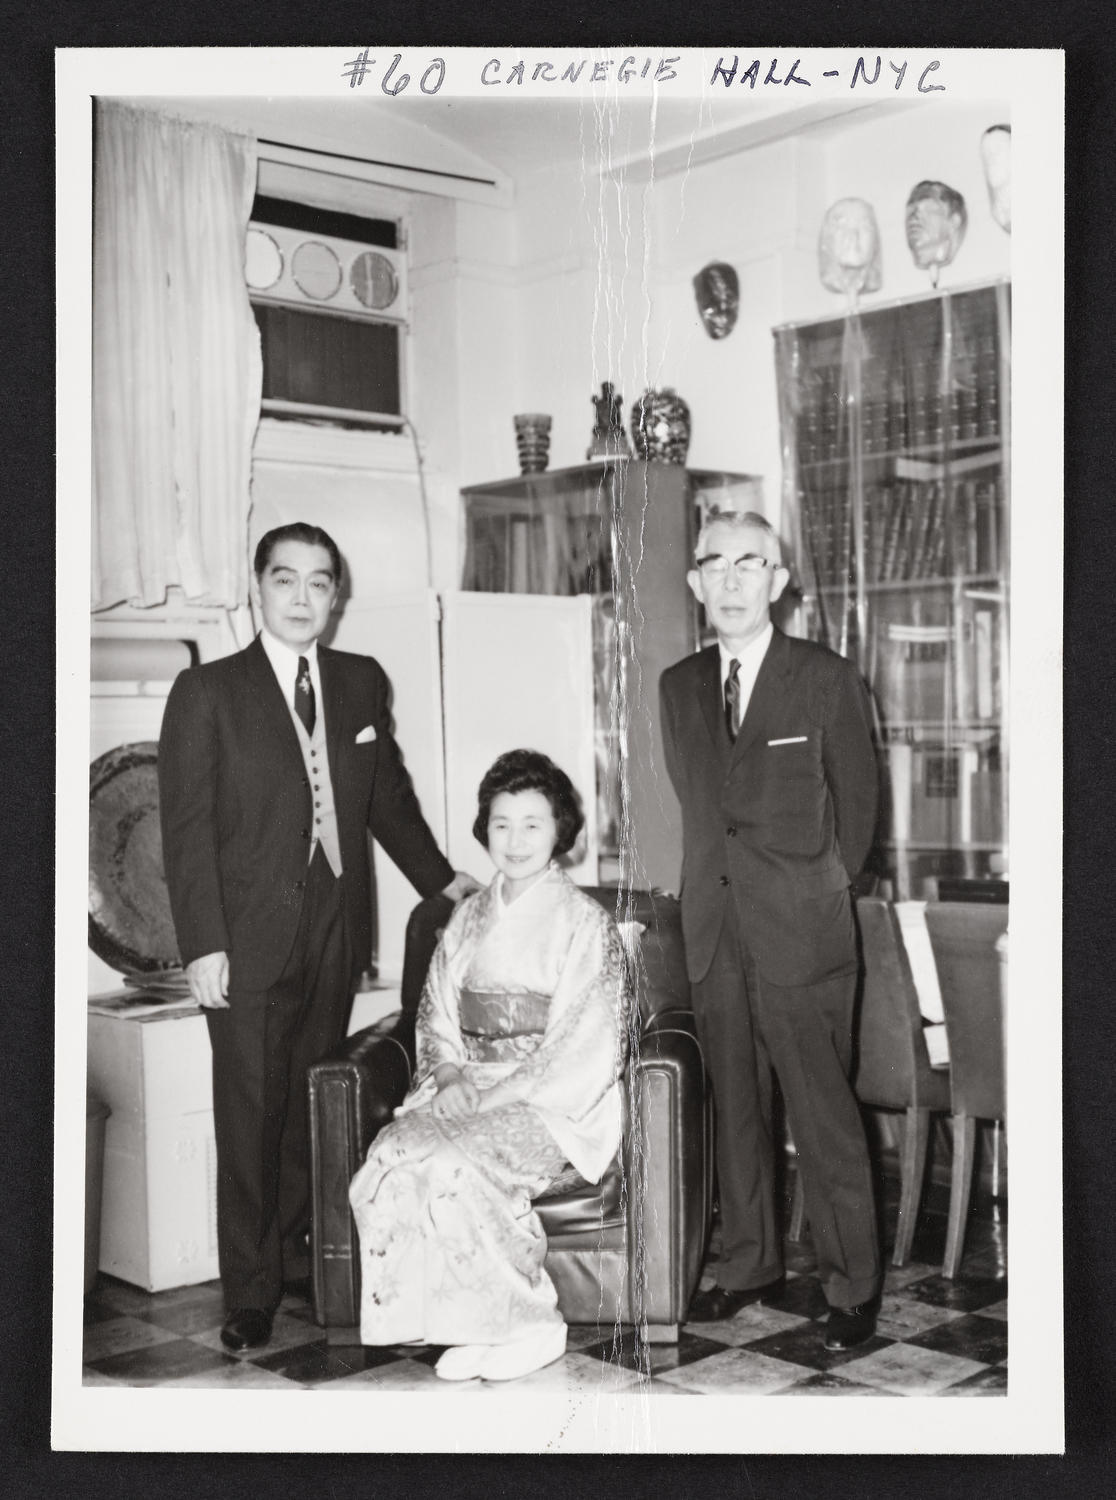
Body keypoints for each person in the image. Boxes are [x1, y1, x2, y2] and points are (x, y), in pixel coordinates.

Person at [158, 521, 477, 1353]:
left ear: (336, 596)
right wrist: (203, 945)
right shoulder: (208, 693)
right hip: (246, 939)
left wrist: (443, 882)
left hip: (335, 926)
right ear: (257, 587)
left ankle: (299, 1257)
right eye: (286, 581)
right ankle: (251, 1290)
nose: (303, 599)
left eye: (320, 583)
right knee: (251, 1112)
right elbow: (185, 832)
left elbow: (387, 800)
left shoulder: (360, 682)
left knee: (310, 1104)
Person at [659, 509, 881, 1351]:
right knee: (737, 1113)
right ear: (695, 582)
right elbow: (696, 806)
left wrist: (815, 892)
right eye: (714, 563)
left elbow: (858, 816)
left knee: (823, 1117)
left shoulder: (824, 676)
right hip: (715, 934)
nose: (731, 578)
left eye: (751, 563)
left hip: (803, 933)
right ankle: (750, 1264)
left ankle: (852, 1285)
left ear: (779, 581)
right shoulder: (678, 686)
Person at [349, 749, 629, 1382]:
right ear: (485, 830)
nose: (516, 839)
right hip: (464, 1084)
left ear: (561, 830)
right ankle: (474, 1324)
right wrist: (447, 1077)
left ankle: (531, 1325)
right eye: (502, 823)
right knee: (392, 1153)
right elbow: (435, 1014)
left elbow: (585, 1041)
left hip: (548, 1102)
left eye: (533, 823)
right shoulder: (466, 916)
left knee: (456, 1162)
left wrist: (494, 1100)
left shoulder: (585, 923)